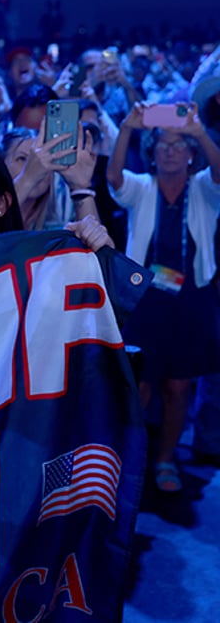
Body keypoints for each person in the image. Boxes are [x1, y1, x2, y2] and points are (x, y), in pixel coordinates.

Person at [106, 101, 220, 492]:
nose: (171, 151)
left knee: (178, 386)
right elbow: (115, 179)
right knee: (139, 388)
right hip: (146, 300)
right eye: (163, 145)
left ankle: (166, 459)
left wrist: (199, 132)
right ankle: (126, 462)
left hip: (192, 301)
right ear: (152, 153)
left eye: (179, 145)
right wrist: (127, 129)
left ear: (191, 155)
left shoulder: (203, 188)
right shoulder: (143, 186)